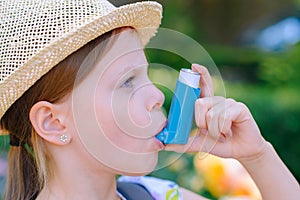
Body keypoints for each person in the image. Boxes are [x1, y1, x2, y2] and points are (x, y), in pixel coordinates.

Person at [0, 0, 299, 200]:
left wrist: (257, 156)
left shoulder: (162, 195)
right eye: (127, 82)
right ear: (53, 123)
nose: (157, 96)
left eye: (147, 76)